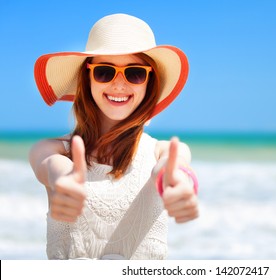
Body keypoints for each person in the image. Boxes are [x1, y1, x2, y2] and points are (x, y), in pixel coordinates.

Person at [29, 13, 199, 260]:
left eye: (135, 73)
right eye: (105, 72)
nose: (119, 85)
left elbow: (174, 167)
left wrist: (179, 182)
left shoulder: (162, 151)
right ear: (87, 79)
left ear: (149, 83)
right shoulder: (53, 150)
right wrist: (64, 178)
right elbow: (52, 167)